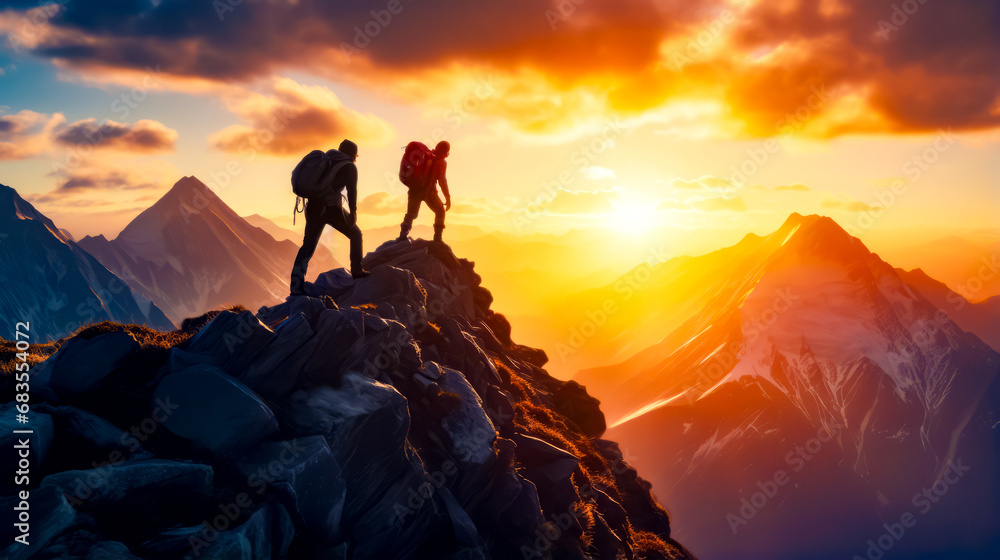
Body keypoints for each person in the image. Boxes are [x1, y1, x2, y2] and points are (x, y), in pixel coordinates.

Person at [290, 139, 369, 296]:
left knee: (308, 246)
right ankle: (357, 271)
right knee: (355, 234)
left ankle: (296, 287)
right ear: (353, 155)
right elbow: (352, 193)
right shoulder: (350, 167)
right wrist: (353, 214)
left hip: (313, 208)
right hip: (331, 209)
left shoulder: (327, 159)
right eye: (356, 156)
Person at [398, 140, 452, 243]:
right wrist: (447, 197)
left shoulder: (426, 156)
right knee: (440, 211)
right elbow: (442, 180)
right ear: (446, 152)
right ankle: (437, 239)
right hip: (429, 192)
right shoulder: (441, 162)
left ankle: (403, 236)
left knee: (411, 214)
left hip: (414, 189)